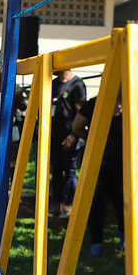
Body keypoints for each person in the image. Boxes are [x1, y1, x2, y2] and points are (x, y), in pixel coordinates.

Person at [63, 93, 124, 256]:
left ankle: (124, 234)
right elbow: (77, 127)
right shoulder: (94, 103)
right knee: (96, 202)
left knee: (123, 200)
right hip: (96, 160)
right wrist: (93, 139)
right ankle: (96, 242)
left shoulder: (132, 99)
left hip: (124, 161)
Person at [50, 68, 86, 219]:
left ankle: (68, 205)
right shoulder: (52, 84)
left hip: (69, 135)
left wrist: (74, 134)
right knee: (56, 169)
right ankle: (56, 204)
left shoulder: (77, 84)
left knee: (69, 170)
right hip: (53, 135)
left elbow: (81, 111)